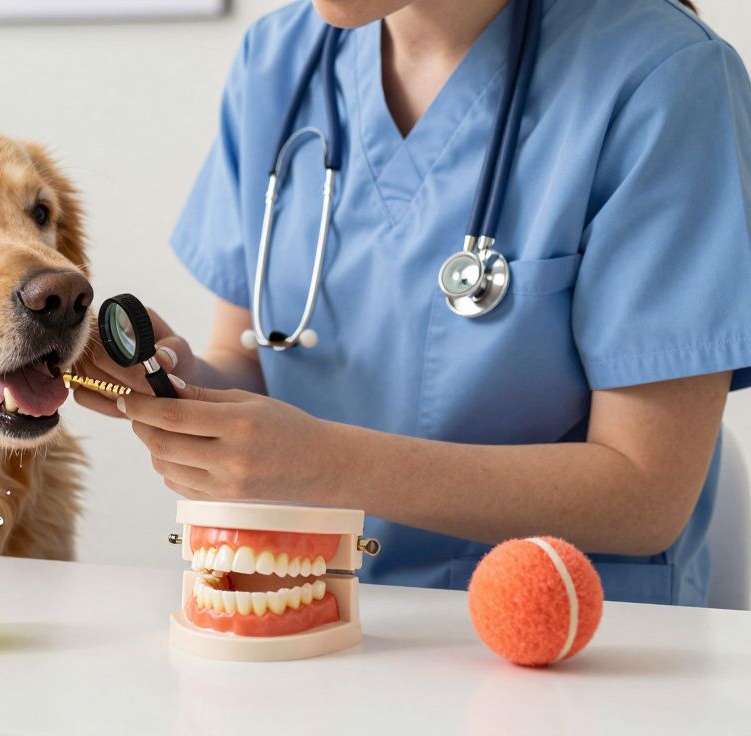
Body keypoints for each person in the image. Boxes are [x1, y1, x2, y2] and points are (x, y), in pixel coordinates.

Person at [75, 0, 751, 605]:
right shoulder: (276, 59)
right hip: (303, 607)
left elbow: (645, 493)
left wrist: (325, 465)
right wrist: (183, 385)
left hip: (555, 641)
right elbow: (250, 358)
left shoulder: (666, 77)